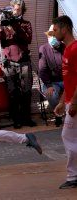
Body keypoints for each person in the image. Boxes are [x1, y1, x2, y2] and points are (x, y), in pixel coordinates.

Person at [0, 0, 36, 128]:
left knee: (26, 90)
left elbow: (28, 39)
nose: (16, 11)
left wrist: (15, 28)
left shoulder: (26, 24)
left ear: (22, 10)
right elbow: (2, 43)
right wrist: (1, 26)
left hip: (24, 60)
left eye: (18, 9)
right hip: (9, 62)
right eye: (14, 9)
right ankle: (16, 119)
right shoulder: (5, 24)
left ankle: (27, 118)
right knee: (12, 92)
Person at [53, 15, 77, 189]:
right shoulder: (67, 50)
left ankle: (73, 177)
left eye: (55, 30)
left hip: (75, 102)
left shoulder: (75, 49)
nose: (54, 34)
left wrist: (74, 103)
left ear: (65, 28)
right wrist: (62, 101)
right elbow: (69, 80)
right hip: (70, 100)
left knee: (67, 136)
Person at [39, 24, 65, 127]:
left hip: (65, 80)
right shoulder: (43, 49)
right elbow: (42, 70)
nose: (52, 38)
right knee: (51, 95)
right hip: (52, 82)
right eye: (50, 35)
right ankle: (58, 114)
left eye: (55, 35)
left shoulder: (65, 47)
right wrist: (49, 85)